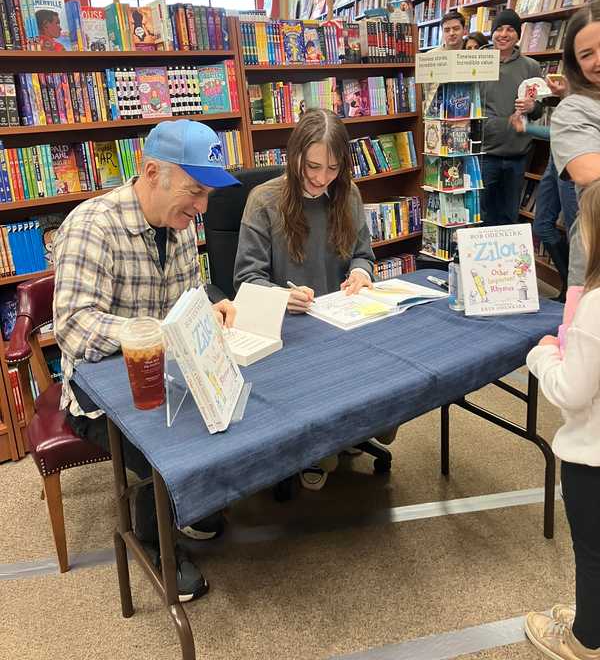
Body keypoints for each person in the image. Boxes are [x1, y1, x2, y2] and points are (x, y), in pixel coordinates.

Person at [53, 119, 239, 602]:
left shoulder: (177, 228)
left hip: (166, 374)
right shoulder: (92, 227)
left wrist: (206, 304)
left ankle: (186, 502)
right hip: (97, 394)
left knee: (231, 409)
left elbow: (185, 296)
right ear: (152, 172)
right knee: (162, 451)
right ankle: (159, 546)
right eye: (193, 191)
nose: (200, 209)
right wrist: (154, 333)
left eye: (206, 196)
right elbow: (73, 328)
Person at [233, 108, 377, 488]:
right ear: (293, 154)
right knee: (323, 441)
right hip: (290, 333)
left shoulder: (349, 194)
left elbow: (363, 253)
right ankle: (314, 447)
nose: (320, 178)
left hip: (343, 325)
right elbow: (246, 280)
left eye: (332, 169)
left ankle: (340, 435)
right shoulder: (263, 200)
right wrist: (282, 297)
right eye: (311, 166)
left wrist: (361, 273)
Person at [525, 178, 600, 660]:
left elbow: (571, 393)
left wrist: (544, 355)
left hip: (591, 457)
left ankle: (584, 640)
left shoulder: (595, 308)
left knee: (592, 553)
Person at [510, 75, 577, 302]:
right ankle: (570, 283)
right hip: (554, 160)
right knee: (542, 225)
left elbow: (563, 133)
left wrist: (527, 128)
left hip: (574, 163)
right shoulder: (575, 90)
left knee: (575, 231)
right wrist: (562, 93)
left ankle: (576, 291)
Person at [550, 0, 600, 287]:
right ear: (576, 65)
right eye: (586, 54)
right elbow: (587, 171)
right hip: (596, 263)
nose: (598, 59)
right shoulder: (575, 108)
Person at [481, 8, 543, 226]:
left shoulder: (531, 66)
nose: (503, 34)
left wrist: (531, 106)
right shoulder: (477, 62)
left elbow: (539, 112)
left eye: (510, 29)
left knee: (509, 217)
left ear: (518, 34)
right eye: (498, 29)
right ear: (492, 33)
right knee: (483, 215)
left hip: (517, 155)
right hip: (484, 154)